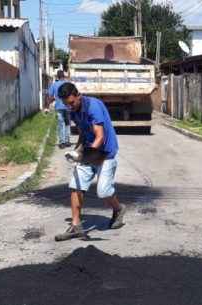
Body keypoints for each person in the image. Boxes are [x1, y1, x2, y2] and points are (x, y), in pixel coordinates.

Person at [54, 82, 126, 241]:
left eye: (71, 103)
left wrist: (86, 154)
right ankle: (76, 226)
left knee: (104, 191)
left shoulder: (93, 107)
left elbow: (99, 136)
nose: (70, 107)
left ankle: (119, 209)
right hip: (89, 149)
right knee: (75, 185)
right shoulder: (73, 111)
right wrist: (76, 150)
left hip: (105, 152)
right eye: (66, 105)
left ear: (78, 95)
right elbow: (83, 134)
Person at [46, 71, 71, 148]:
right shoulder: (68, 84)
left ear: (57, 76)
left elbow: (50, 96)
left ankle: (62, 142)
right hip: (68, 106)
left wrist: (47, 106)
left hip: (59, 107)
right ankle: (67, 141)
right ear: (64, 76)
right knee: (67, 123)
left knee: (61, 124)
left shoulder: (54, 85)